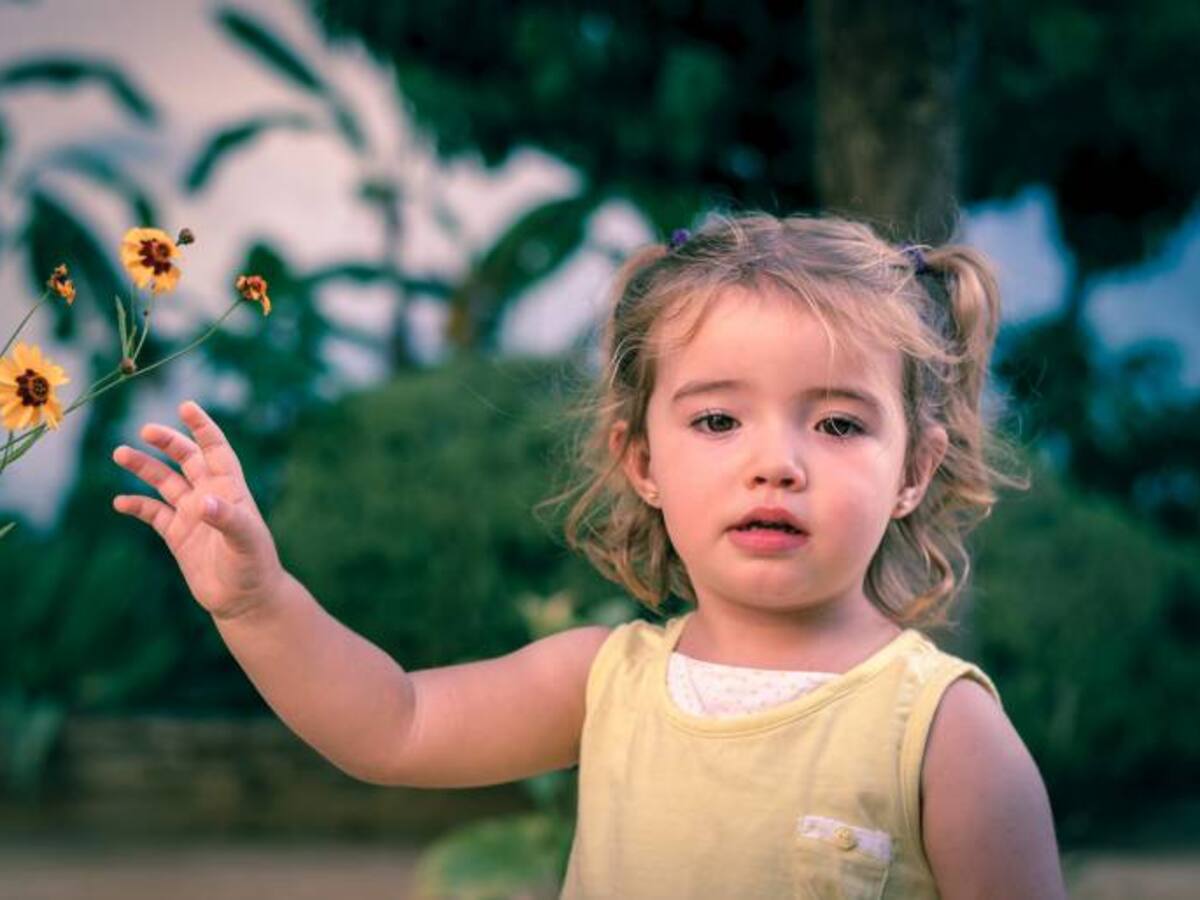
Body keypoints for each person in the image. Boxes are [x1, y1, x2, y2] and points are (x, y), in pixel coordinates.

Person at [111, 212, 1067, 898]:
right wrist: (257, 603)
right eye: (719, 420)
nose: (777, 463)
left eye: (839, 423)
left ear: (914, 469)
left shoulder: (943, 733)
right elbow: (392, 724)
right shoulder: (604, 681)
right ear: (642, 460)